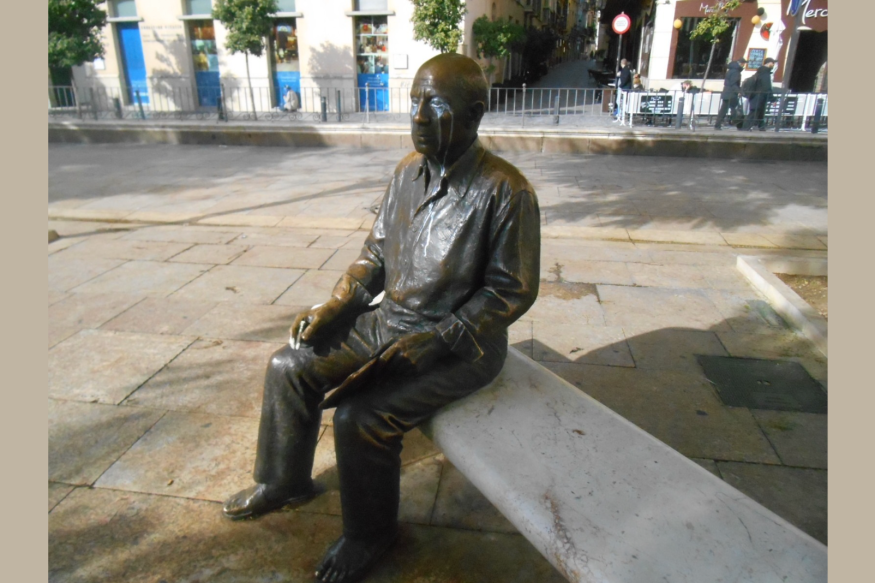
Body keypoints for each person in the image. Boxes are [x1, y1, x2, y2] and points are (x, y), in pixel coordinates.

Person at [222, 53, 540, 583]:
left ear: (475, 115)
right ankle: (282, 481)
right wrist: (338, 303)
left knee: (362, 417)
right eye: (414, 102)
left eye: (435, 105)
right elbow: (374, 255)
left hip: (463, 346)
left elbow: (512, 290)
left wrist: (442, 337)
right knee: (288, 366)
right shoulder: (406, 173)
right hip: (390, 319)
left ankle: (369, 534)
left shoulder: (506, 190)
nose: (418, 116)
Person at [741, 57, 776, 131]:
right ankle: (745, 128)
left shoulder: (760, 72)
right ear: (769, 63)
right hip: (759, 96)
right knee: (754, 112)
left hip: (756, 95)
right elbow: (767, 86)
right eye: (773, 63)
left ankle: (761, 127)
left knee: (759, 112)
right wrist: (772, 99)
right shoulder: (765, 73)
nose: (773, 65)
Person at [713, 57, 746, 130]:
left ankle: (718, 125)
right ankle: (739, 125)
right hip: (731, 93)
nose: (744, 65)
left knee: (724, 110)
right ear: (741, 64)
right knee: (735, 109)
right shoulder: (736, 72)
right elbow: (733, 84)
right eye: (744, 64)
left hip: (727, 92)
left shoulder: (731, 70)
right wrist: (739, 91)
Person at [614, 58, 633, 123]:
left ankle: (621, 115)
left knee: (620, 102)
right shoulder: (625, 70)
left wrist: (620, 85)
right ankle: (619, 115)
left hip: (623, 89)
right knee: (619, 101)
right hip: (623, 88)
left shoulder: (625, 70)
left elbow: (624, 79)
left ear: (622, 63)